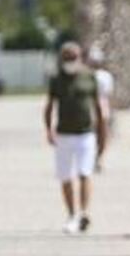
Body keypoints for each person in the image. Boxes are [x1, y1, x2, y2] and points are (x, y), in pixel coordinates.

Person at [45, 41, 106, 233]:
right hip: (63, 134)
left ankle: (83, 213)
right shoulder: (56, 79)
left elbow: (98, 106)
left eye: (73, 57)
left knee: (84, 173)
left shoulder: (89, 77)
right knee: (65, 176)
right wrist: (48, 129)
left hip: (85, 134)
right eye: (66, 58)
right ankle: (72, 214)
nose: (70, 61)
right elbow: (49, 106)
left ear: (80, 58)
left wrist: (102, 132)